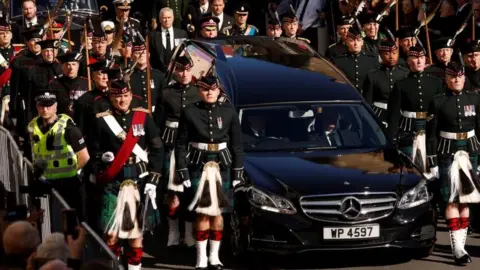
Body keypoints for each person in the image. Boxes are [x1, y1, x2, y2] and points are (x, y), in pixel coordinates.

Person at [90, 80, 164, 270]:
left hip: (138, 180)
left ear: (131, 96)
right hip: (114, 180)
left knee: (136, 234)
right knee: (111, 235)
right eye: (117, 96)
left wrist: (153, 180)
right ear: (111, 98)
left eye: (125, 96)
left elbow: (157, 149)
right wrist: (101, 158)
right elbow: (93, 151)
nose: (121, 100)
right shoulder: (101, 120)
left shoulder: (143, 117)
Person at [175, 74, 244, 270]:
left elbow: (237, 145)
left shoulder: (229, 111)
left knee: (218, 214)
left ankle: (214, 257)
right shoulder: (189, 112)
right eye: (205, 89)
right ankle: (201, 258)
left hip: (222, 165)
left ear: (219, 90)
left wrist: (238, 173)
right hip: (198, 164)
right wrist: (182, 170)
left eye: (213, 89)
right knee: (202, 214)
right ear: (199, 90)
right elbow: (180, 145)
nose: (209, 92)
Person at [426, 62, 480, 265]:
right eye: (452, 77)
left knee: (465, 200)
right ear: (446, 79)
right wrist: (431, 161)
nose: (456, 80)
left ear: (464, 77)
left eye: (459, 76)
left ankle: (461, 247)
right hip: (446, 152)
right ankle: (457, 248)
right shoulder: (438, 101)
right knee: (450, 199)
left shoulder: (474, 98)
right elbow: (431, 135)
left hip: (470, 149)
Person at [154, 55, 200, 247]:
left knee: (190, 192)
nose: (184, 74)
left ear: (192, 70)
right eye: (180, 70)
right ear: (175, 71)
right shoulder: (166, 93)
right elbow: (157, 123)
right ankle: (173, 231)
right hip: (171, 145)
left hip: (192, 146)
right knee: (172, 192)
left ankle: (189, 232)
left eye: (187, 70)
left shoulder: (199, 92)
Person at [27, 91, 90, 219]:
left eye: (49, 105)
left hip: (67, 183)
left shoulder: (68, 128)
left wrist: (71, 171)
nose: (45, 109)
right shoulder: (32, 126)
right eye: (41, 106)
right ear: (37, 106)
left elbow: (84, 157)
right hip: (43, 181)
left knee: (71, 220)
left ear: (56, 106)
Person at [386, 45, 443, 171]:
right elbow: (393, 114)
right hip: (408, 129)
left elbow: (441, 109)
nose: (419, 61)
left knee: (433, 168)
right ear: (408, 61)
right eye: (415, 58)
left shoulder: (436, 83)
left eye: (422, 58)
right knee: (410, 168)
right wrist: (391, 139)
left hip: (431, 128)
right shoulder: (401, 84)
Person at [362, 40, 409, 125]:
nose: (391, 57)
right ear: (380, 55)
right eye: (387, 54)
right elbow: (367, 102)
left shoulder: (405, 74)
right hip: (378, 113)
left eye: (394, 53)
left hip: (400, 115)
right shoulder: (372, 75)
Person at [331, 26, 379, 94]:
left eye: (358, 40)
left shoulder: (372, 60)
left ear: (362, 42)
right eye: (351, 40)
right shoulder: (338, 61)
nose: (355, 43)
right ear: (346, 42)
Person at [47, 52, 89, 118]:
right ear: (61, 67)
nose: (71, 67)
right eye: (67, 64)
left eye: (74, 64)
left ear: (78, 66)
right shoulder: (54, 84)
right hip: (61, 120)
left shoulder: (87, 83)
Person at [129, 39, 165, 112]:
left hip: (156, 114)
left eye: (144, 53)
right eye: (137, 53)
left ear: (148, 55)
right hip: (136, 114)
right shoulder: (128, 77)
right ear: (132, 56)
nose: (141, 55)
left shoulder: (159, 75)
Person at [149, 7, 188, 73]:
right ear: (160, 19)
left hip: (177, 73)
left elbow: (185, 55)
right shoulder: (152, 35)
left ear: (173, 18)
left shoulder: (182, 34)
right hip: (158, 73)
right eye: (164, 18)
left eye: (169, 17)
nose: (167, 20)